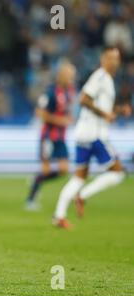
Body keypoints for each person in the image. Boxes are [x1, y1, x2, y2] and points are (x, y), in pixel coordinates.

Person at [53, 47, 132, 229]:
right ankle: (82, 196)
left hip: (84, 133)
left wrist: (118, 110)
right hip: (94, 134)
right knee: (117, 172)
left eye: (117, 58)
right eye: (111, 58)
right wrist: (105, 114)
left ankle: (59, 216)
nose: (115, 62)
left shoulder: (107, 80)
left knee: (79, 177)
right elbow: (84, 99)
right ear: (103, 59)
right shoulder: (100, 76)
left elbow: (100, 109)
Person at [26, 61, 76, 211]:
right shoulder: (50, 92)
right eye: (69, 75)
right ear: (61, 76)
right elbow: (39, 113)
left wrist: (69, 118)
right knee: (46, 170)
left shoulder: (70, 91)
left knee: (64, 169)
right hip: (48, 136)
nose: (71, 78)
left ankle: (37, 178)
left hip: (60, 137)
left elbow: (68, 111)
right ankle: (31, 199)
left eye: (72, 76)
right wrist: (60, 120)